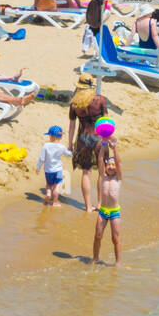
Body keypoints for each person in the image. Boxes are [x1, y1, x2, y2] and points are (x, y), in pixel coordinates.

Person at [68, 74, 108, 213]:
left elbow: (72, 126)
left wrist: (70, 143)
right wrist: (108, 139)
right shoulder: (100, 100)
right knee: (102, 173)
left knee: (86, 173)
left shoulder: (75, 104)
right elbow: (106, 122)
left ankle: (87, 207)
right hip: (99, 138)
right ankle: (100, 204)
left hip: (82, 139)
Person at [92, 144, 123, 266]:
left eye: (113, 165)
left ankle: (118, 262)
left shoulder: (118, 178)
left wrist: (115, 148)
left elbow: (119, 162)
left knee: (115, 238)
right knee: (98, 236)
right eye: (109, 165)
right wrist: (103, 146)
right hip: (103, 211)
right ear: (104, 168)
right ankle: (95, 258)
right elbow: (100, 160)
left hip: (114, 212)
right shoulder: (103, 177)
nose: (111, 167)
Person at [37, 125, 71, 206]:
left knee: (49, 185)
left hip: (48, 170)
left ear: (51, 136)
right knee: (56, 186)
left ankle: (48, 194)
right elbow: (68, 154)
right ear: (60, 137)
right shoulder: (62, 147)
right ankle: (55, 202)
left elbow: (41, 158)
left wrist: (38, 168)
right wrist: (71, 151)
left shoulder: (46, 146)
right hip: (58, 170)